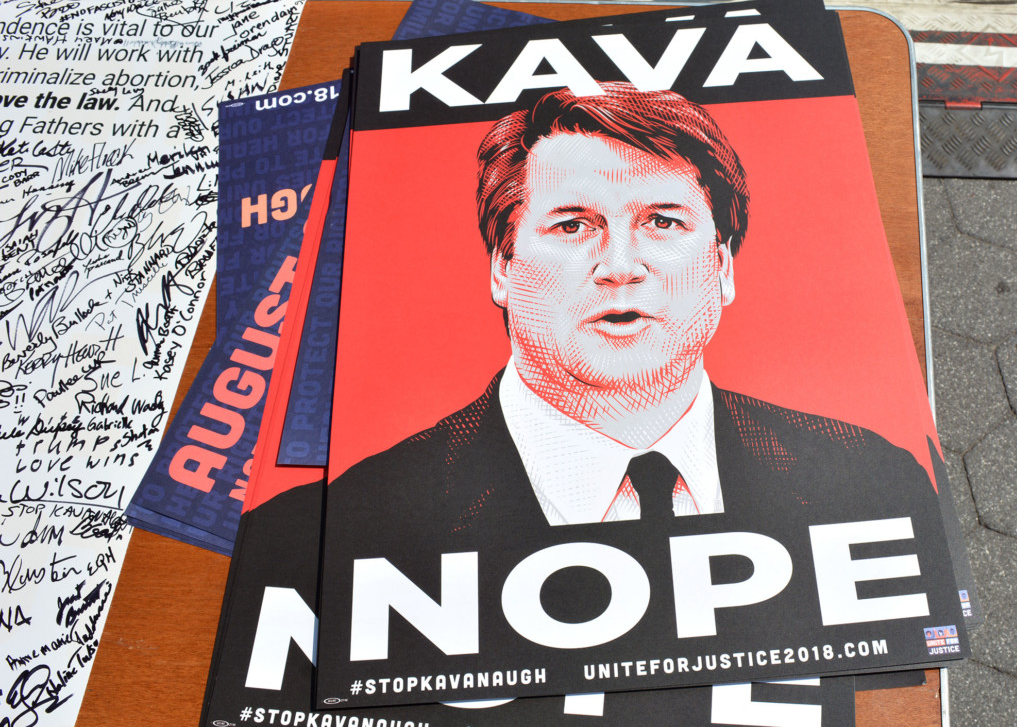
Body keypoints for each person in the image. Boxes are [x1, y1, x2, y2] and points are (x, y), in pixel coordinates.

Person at [330, 82, 938, 531]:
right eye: (572, 226)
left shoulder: (873, 481)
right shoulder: (359, 516)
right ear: (502, 268)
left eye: (663, 222)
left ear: (722, 267)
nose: (619, 265)